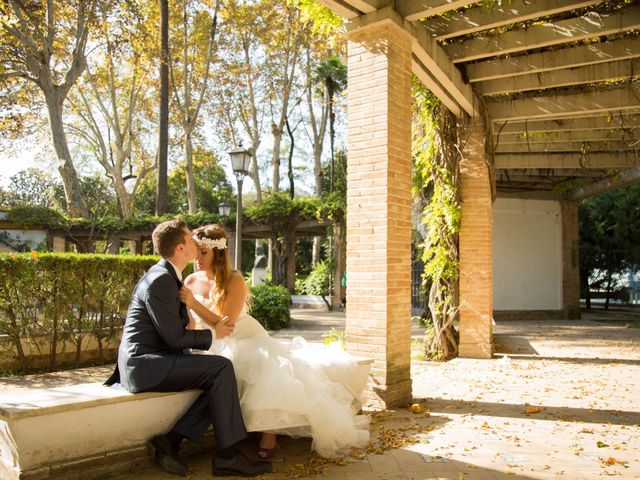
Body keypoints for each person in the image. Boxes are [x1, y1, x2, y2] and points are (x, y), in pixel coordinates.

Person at [180, 224, 371, 459]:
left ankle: (268, 432)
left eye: (203, 253)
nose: (197, 258)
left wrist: (193, 303)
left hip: (246, 336)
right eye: (195, 251)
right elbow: (189, 323)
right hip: (215, 343)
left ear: (217, 253)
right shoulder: (189, 281)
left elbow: (226, 325)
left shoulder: (234, 278)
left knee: (261, 368)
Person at [105, 219, 271, 478]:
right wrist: (212, 334)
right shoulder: (161, 280)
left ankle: (171, 441)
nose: (195, 244)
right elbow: (175, 338)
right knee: (221, 368)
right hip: (145, 365)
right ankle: (227, 455)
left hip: (153, 361)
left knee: (220, 379)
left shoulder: (168, 275)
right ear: (181, 248)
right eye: (190, 240)